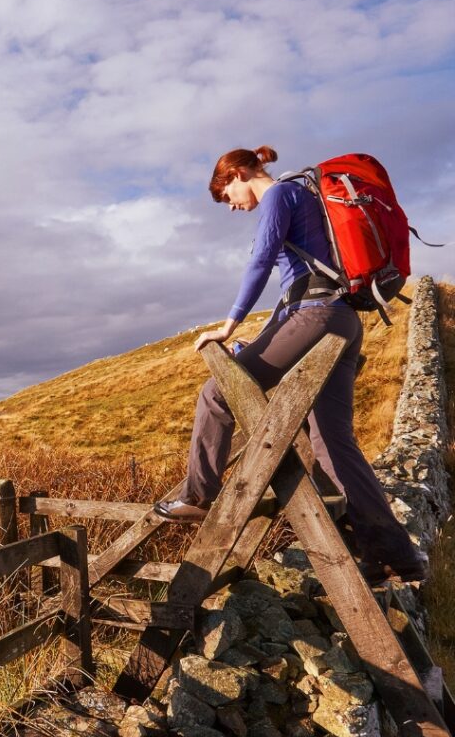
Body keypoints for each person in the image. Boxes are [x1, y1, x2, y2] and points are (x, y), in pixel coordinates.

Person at [153, 145, 427, 585]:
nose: (233, 207)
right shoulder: (308, 195)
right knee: (332, 443)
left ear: (240, 173)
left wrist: (228, 327)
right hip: (342, 321)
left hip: (315, 316)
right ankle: (394, 556)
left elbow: (262, 260)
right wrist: (259, 340)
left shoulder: (279, 195)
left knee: (217, 394)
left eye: (228, 195)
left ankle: (197, 495)